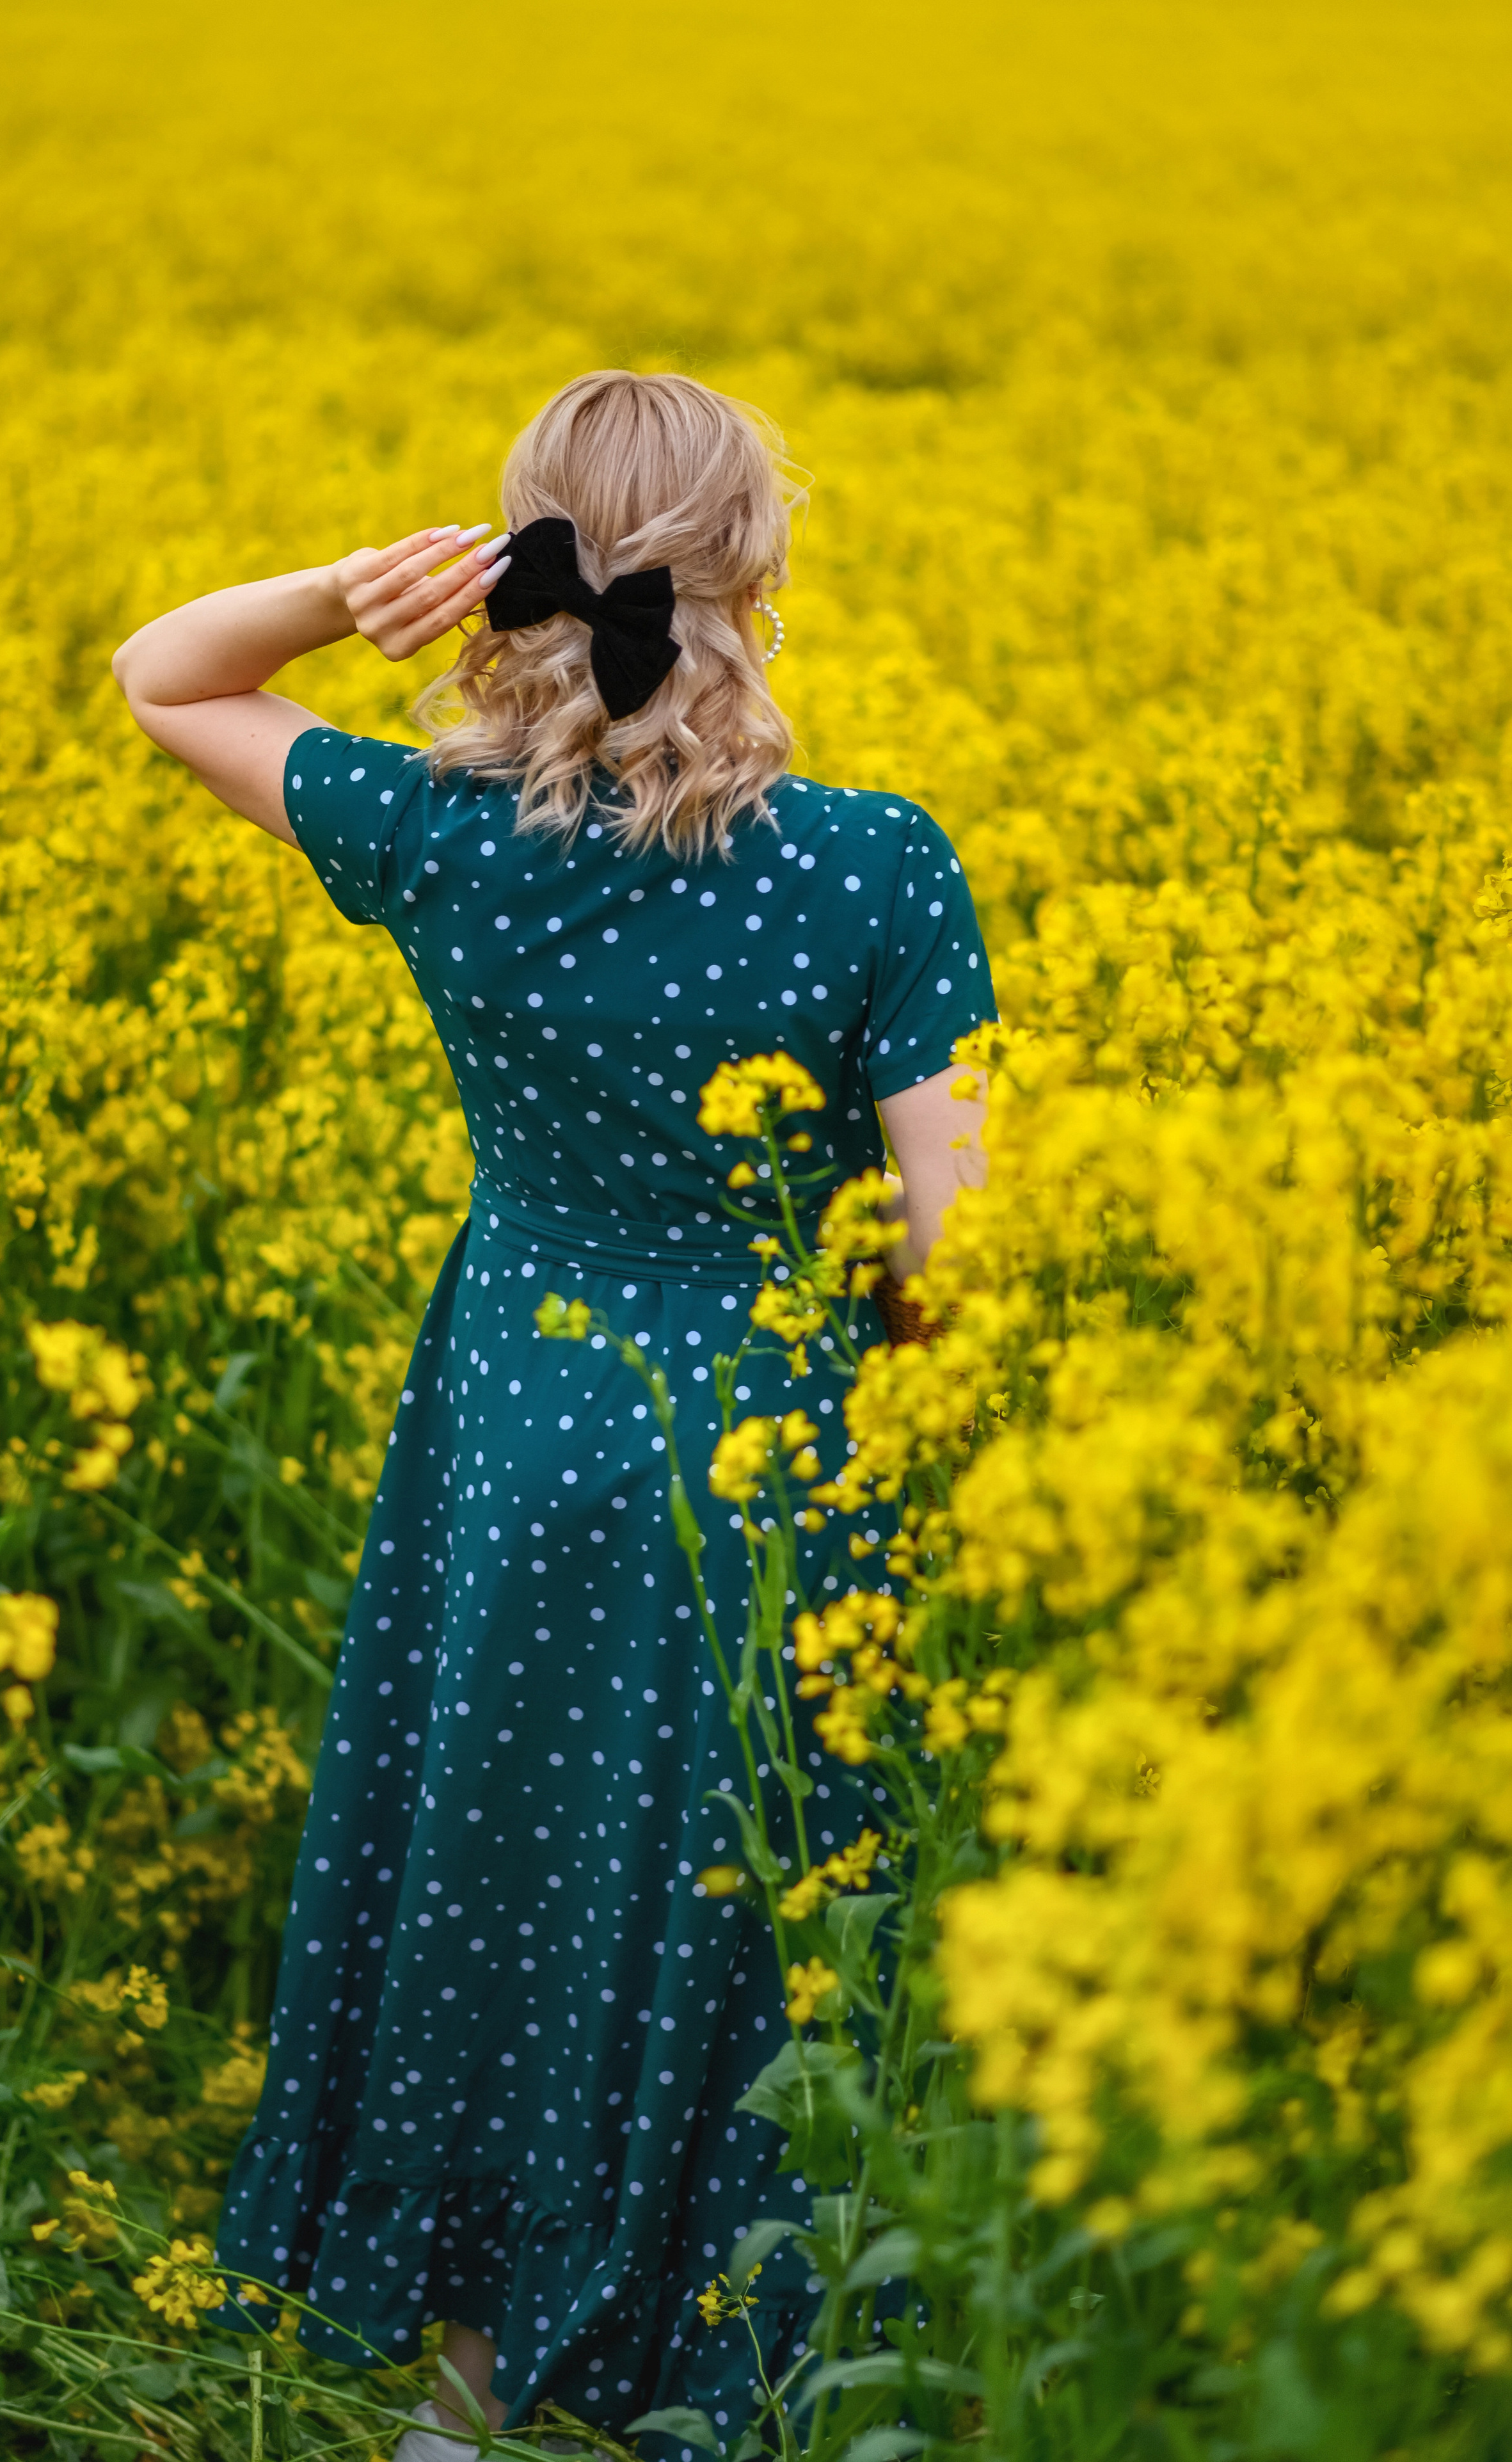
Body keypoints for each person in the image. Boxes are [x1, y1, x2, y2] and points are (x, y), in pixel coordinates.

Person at [111, 370, 995, 2454]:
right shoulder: (876, 870)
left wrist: (349, 595)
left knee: (507, 1882)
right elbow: (960, 1252)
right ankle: (734, 2383)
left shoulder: (446, 839)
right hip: (784, 1456)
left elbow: (163, 677)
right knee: (746, 1912)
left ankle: (479, 2388)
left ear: (506, 574)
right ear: (757, 575)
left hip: (521, 1439)